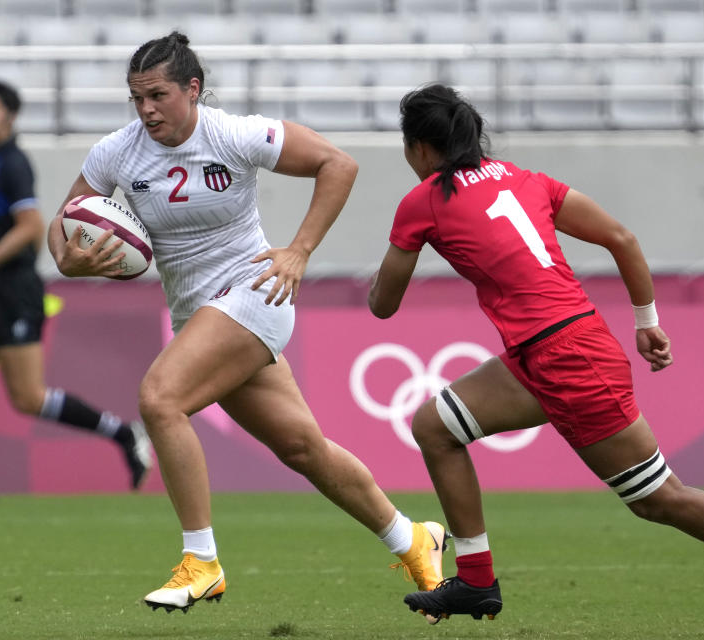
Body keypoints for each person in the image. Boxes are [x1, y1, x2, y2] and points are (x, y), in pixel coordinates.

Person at [368, 83, 704, 637]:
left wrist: (392, 263)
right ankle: (476, 578)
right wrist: (647, 322)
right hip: (554, 347)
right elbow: (621, 237)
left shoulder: (423, 200)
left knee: (661, 499)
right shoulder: (526, 179)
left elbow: (383, 306)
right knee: (435, 426)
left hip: (566, 360)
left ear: (421, 148)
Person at [45, 32, 446, 614]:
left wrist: (300, 250)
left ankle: (201, 561)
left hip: (256, 293)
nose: (146, 109)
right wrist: (68, 259)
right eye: (136, 98)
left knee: (160, 399)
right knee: (303, 448)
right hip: (198, 315)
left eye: (157, 95)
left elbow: (339, 164)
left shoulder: (232, 134)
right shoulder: (117, 152)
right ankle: (413, 539)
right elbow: (64, 221)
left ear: (193, 89)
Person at [0, 81, 153, 508]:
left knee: (28, 397)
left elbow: (32, 228)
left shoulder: (14, 164)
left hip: (15, 290)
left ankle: (123, 433)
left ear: (10, 117)